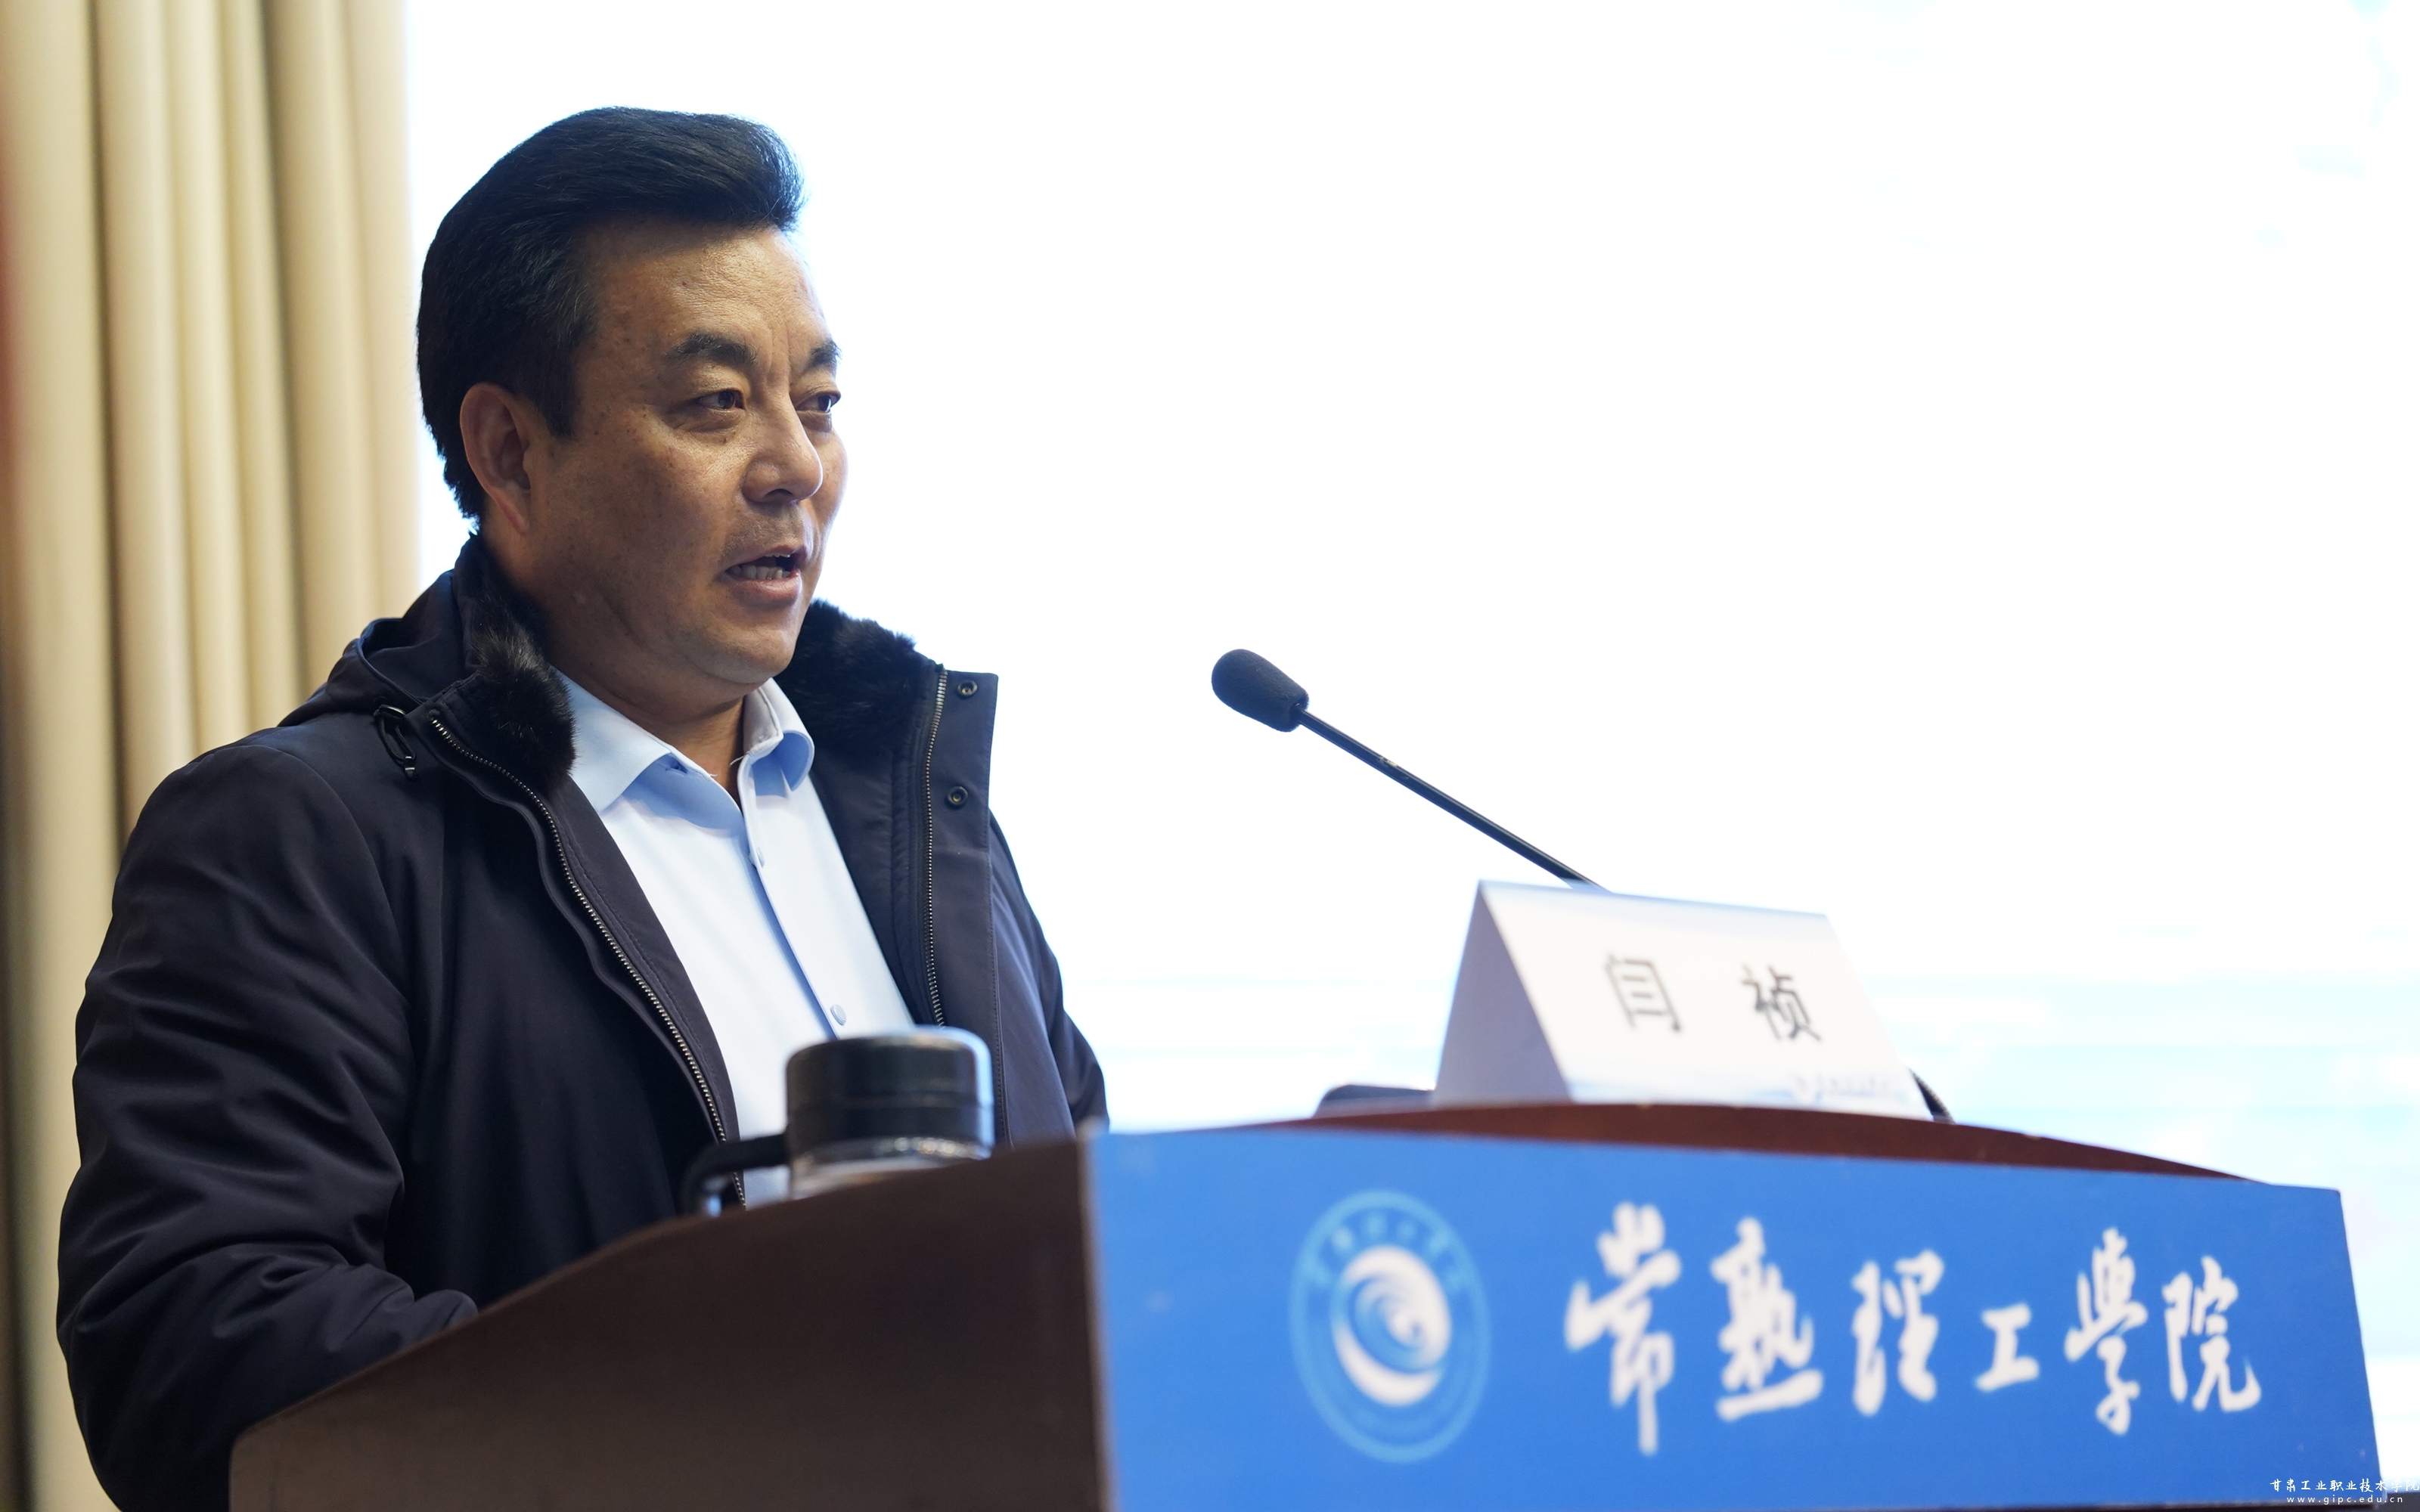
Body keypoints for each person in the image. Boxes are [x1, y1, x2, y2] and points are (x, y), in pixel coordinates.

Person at [57, 107, 1105, 1512]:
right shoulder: (301, 837)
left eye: (818, 401)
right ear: (509, 452)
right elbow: (198, 1349)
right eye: (716, 404)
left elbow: (1096, 1240)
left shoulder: (920, 813)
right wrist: (735, 1425)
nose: (797, 464)